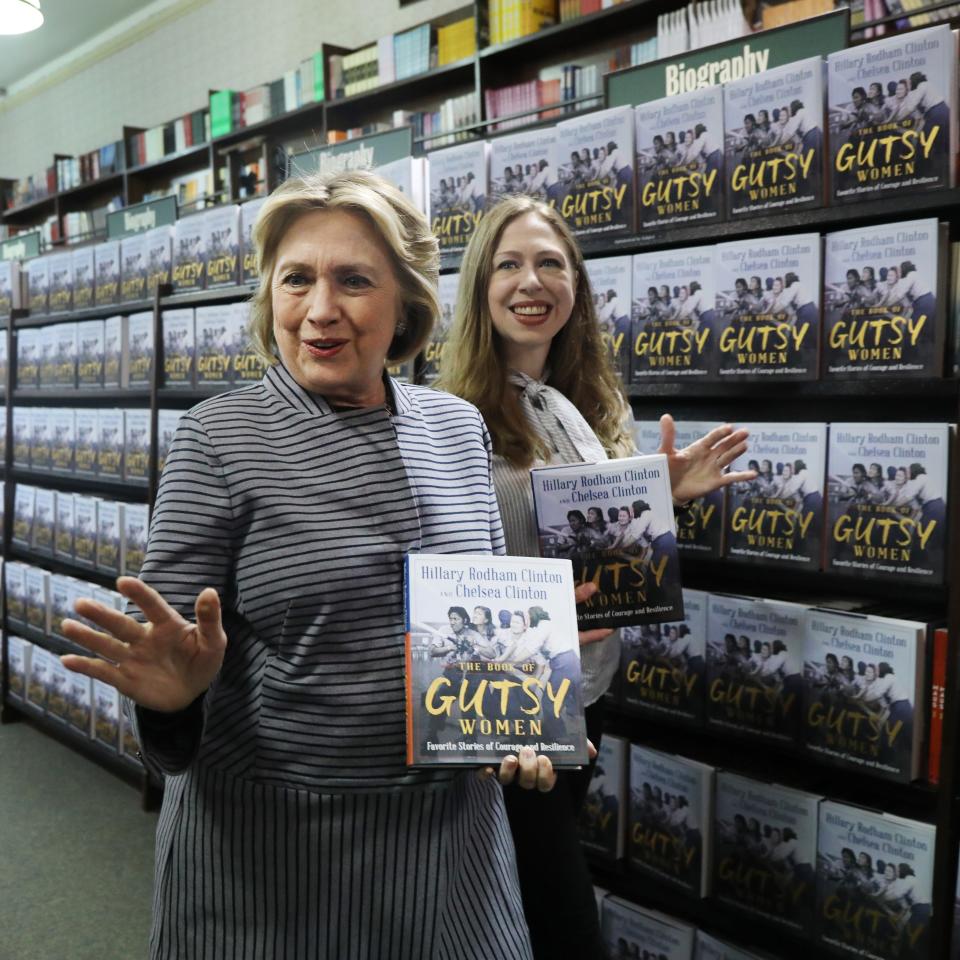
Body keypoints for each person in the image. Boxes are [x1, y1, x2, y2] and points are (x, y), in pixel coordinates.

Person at [59, 171, 565, 960]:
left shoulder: (457, 428)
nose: (320, 310)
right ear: (269, 297)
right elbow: (170, 665)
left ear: (406, 304)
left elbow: (487, 633)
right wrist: (170, 702)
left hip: (454, 851)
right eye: (296, 279)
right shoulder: (218, 439)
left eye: (354, 281)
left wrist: (525, 720)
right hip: (273, 863)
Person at [437, 194, 754, 959]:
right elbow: (445, 579)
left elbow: (603, 548)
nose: (530, 281)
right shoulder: (447, 415)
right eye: (509, 264)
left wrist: (661, 500)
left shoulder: (591, 406)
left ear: (575, 285)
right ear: (481, 285)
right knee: (558, 924)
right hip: (509, 702)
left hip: (588, 694)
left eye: (551, 263)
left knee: (519, 916)